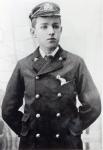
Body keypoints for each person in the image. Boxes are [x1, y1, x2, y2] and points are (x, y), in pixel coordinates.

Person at [1, 2, 101, 150]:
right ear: (33, 31)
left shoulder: (75, 63)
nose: (51, 31)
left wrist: (73, 128)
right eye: (44, 26)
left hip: (67, 144)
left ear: (61, 29)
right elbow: (8, 110)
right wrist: (26, 131)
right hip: (33, 145)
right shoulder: (23, 66)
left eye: (55, 26)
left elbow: (93, 105)